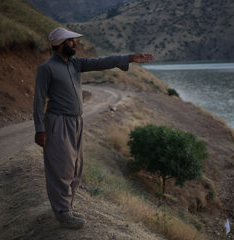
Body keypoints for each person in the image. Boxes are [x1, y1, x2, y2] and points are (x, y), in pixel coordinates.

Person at [33, 27, 154, 229]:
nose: (74, 44)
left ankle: (68, 208)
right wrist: (40, 129)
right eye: (70, 41)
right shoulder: (47, 68)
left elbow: (101, 63)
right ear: (59, 44)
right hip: (57, 123)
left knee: (76, 168)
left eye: (74, 41)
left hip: (77, 123)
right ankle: (63, 214)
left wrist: (129, 58)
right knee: (61, 168)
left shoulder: (75, 64)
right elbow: (38, 101)